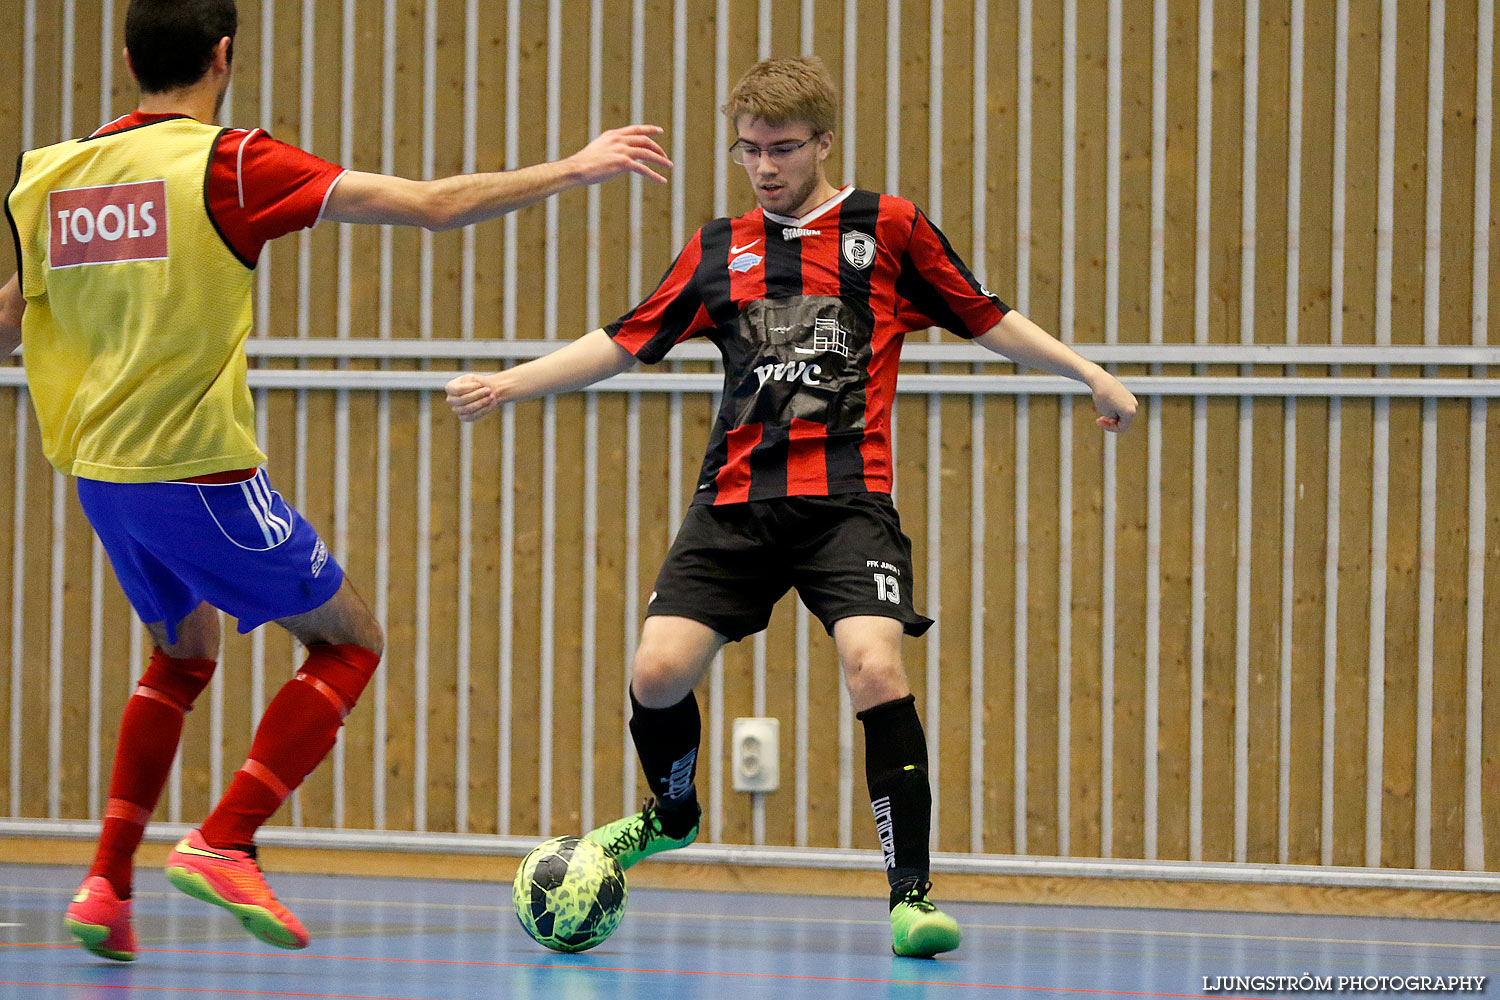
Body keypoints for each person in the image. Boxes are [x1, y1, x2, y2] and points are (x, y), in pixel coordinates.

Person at [0, 0, 670, 962]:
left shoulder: (56, 176)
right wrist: (574, 165)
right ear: (223, 55)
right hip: (197, 470)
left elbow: (14, 315)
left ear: (126, 56)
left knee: (182, 657)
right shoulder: (227, 164)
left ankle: (106, 885)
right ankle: (227, 839)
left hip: (102, 477)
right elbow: (434, 205)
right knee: (350, 641)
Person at [446, 55, 1137, 958]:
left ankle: (911, 898)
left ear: (823, 142)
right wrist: (509, 383)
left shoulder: (886, 229)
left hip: (846, 502)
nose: (764, 167)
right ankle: (672, 813)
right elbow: (623, 340)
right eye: (747, 151)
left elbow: (985, 314)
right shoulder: (715, 248)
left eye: (780, 149)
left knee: (873, 667)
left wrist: (1088, 372)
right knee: (657, 673)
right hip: (734, 506)